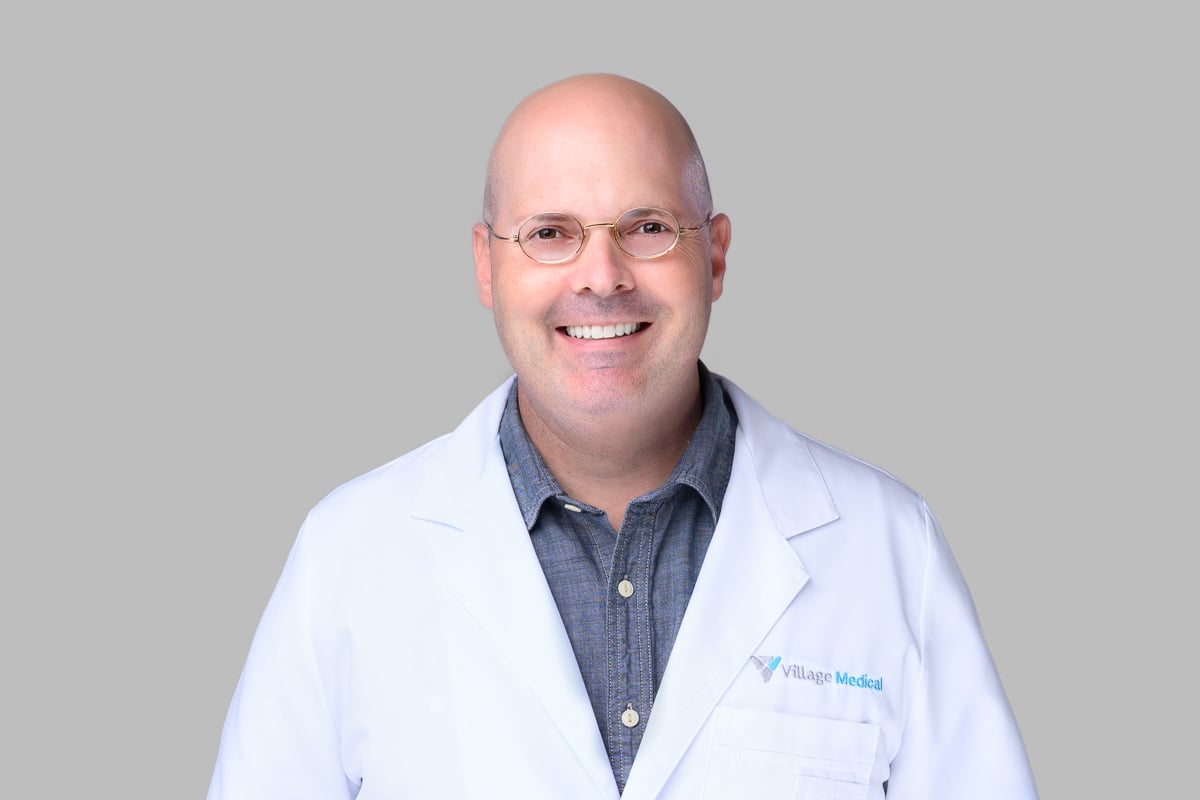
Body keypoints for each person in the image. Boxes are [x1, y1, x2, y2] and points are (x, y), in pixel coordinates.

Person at [208, 74, 1038, 799]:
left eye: (646, 227)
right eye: (550, 232)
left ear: (715, 256)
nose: (601, 277)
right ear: (487, 265)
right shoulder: (348, 558)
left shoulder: (888, 549)